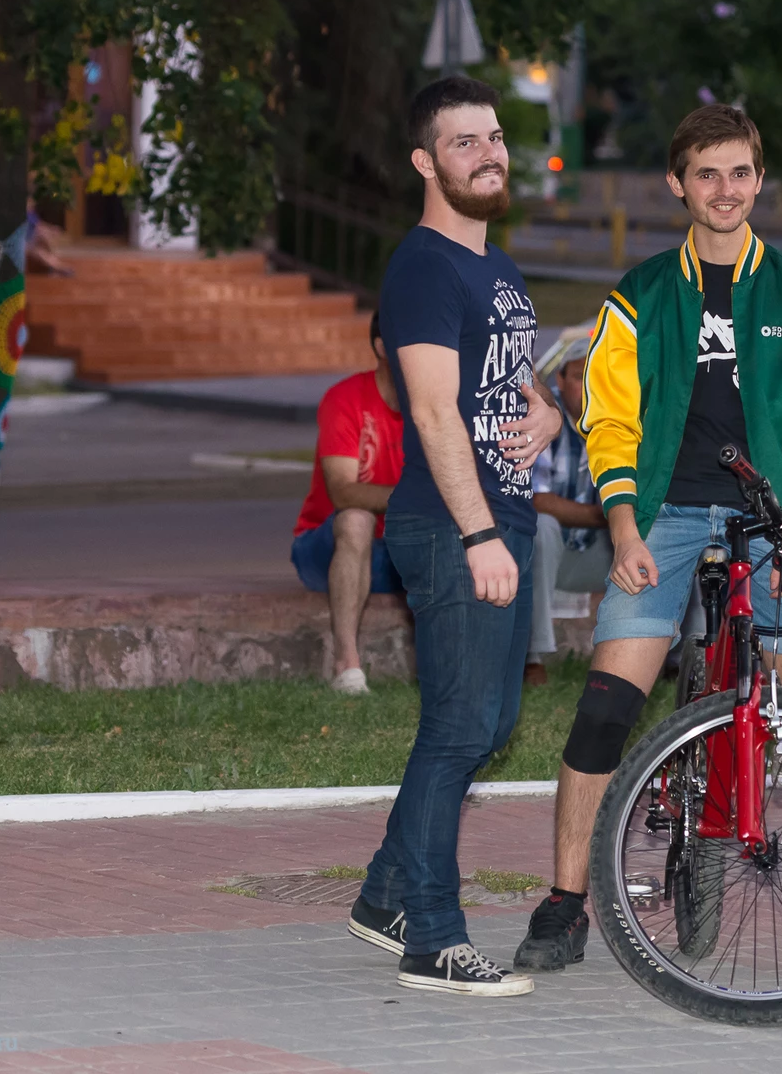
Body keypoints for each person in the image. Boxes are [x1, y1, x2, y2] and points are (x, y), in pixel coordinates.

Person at [512, 104, 782, 973]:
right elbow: (610, 422)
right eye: (707, 174)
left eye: (740, 172)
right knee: (604, 709)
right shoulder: (639, 294)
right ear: (677, 183)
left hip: (773, 519)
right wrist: (623, 527)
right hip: (665, 516)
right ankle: (564, 905)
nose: (725, 189)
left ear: (759, 179)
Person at [344, 77, 563, 997]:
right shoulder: (425, 267)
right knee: (459, 727)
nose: (489, 154)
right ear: (425, 162)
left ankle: (384, 895)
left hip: (504, 513)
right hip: (450, 523)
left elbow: (511, 382)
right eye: (464, 142)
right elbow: (434, 413)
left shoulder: (498, 269)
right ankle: (432, 936)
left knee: (491, 723)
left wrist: (549, 413)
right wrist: (478, 534)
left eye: (495, 137)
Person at [289, 311, 404, 695]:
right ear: (382, 347)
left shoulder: (434, 408)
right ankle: (347, 666)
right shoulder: (346, 398)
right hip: (327, 548)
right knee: (357, 518)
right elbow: (342, 492)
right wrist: (418, 498)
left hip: (400, 550)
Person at [524, 346, 611, 687]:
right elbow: (537, 500)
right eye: (578, 376)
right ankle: (532, 657)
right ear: (559, 381)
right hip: (553, 553)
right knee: (540, 526)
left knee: (667, 529)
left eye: (597, 375)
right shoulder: (542, 417)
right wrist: (605, 514)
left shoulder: (621, 416)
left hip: (604, 552)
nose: (589, 385)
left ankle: (673, 656)